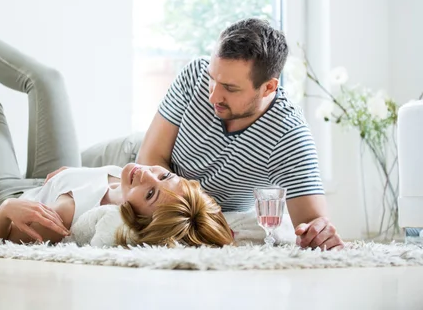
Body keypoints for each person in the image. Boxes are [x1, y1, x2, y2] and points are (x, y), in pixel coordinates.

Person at [0, 0, 234, 248]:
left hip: (7, 196)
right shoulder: (135, 180)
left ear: (138, 221)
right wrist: (69, 176)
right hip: (54, 180)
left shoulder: (59, 220)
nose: (147, 173)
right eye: (164, 175)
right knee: (48, 81)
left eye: (150, 194)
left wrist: (4, 211)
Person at [135, 18, 344, 250]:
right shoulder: (194, 75)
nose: (213, 96)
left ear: (268, 87)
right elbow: (148, 159)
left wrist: (320, 234)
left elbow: (312, 226)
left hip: (150, 196)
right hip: (127, 162)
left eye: (230, 88)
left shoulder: (288, 136)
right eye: (212, 79)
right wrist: (193, 218)